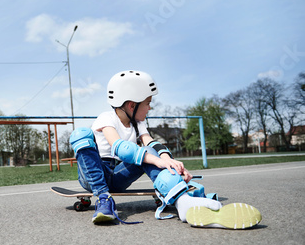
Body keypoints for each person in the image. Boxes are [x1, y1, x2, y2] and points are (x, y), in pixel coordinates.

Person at [70, 70, 262, 229]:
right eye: (148, 103)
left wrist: (172, 164)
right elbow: (120, 148)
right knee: (81, 134)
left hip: (117, 177)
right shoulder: (107, 118)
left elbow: (152, 144)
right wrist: (156, 160)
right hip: (94, 174)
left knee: (150, 153)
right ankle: (104, 200)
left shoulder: (138, 124)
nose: (150, 108)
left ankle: (182, 199)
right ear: (131, 104)